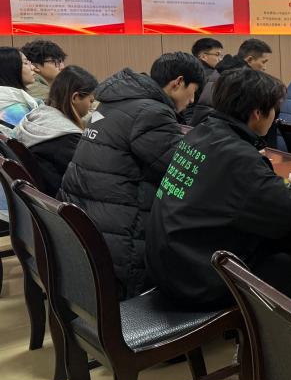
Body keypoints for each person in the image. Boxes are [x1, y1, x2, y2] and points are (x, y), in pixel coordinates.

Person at [146, 68, 291, 321]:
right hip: (201, 280)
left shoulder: (201, 133)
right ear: (258, 113)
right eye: (274, 109)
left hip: (173, 265)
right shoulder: (237, 157)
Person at [62, 52, 205, 298]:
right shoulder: (151, 112)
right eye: (193, 92)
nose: (192, 100)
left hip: (88, 223)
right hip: (122, 243)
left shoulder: (117, 101)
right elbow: (183, 169)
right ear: (178, 82)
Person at [14, 65, 97, 196]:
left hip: (40, 199)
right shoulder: (67, 138)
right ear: (75, 98)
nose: (91, 106)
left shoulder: (36, 118)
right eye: (90, 101)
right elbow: (91, 178)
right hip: (62, 199)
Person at [192, 38, 273, 126]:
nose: (265, 68)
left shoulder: (227, 70)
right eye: (263, 62)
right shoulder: (237, 78)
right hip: (211, 128)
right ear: (249, 60)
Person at [0, 47, 41, 136]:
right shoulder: (16, 111)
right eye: (26, 63)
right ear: (10, 69)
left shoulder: (9, 100)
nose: (33, 67)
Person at [184, 38, 224, 123]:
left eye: (221, 55)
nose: (220, 59)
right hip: (203, 121)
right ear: (203, 56)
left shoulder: (188, 70)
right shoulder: (213, 75)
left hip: (187, 120)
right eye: (217, 55)